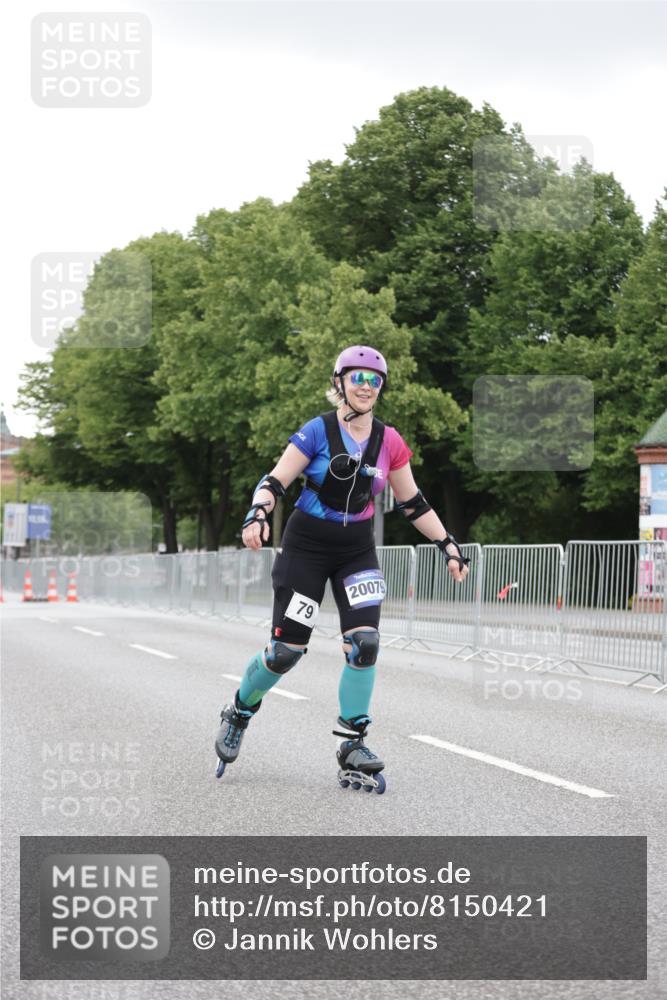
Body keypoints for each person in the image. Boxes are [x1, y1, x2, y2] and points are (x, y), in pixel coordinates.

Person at [215, 345, 470, 792]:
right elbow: (275, 481)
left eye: (375, 380)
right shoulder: (317, 430)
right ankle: (239, 710)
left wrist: (448, 544)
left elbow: (412, 503)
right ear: (340, 383)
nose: (366, 387)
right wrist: (257, 514)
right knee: (285, 652)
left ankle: (352, 742)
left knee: (365, 644)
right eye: (358, 378)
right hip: (306, 548)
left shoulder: (389, 441)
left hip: (356, 550)